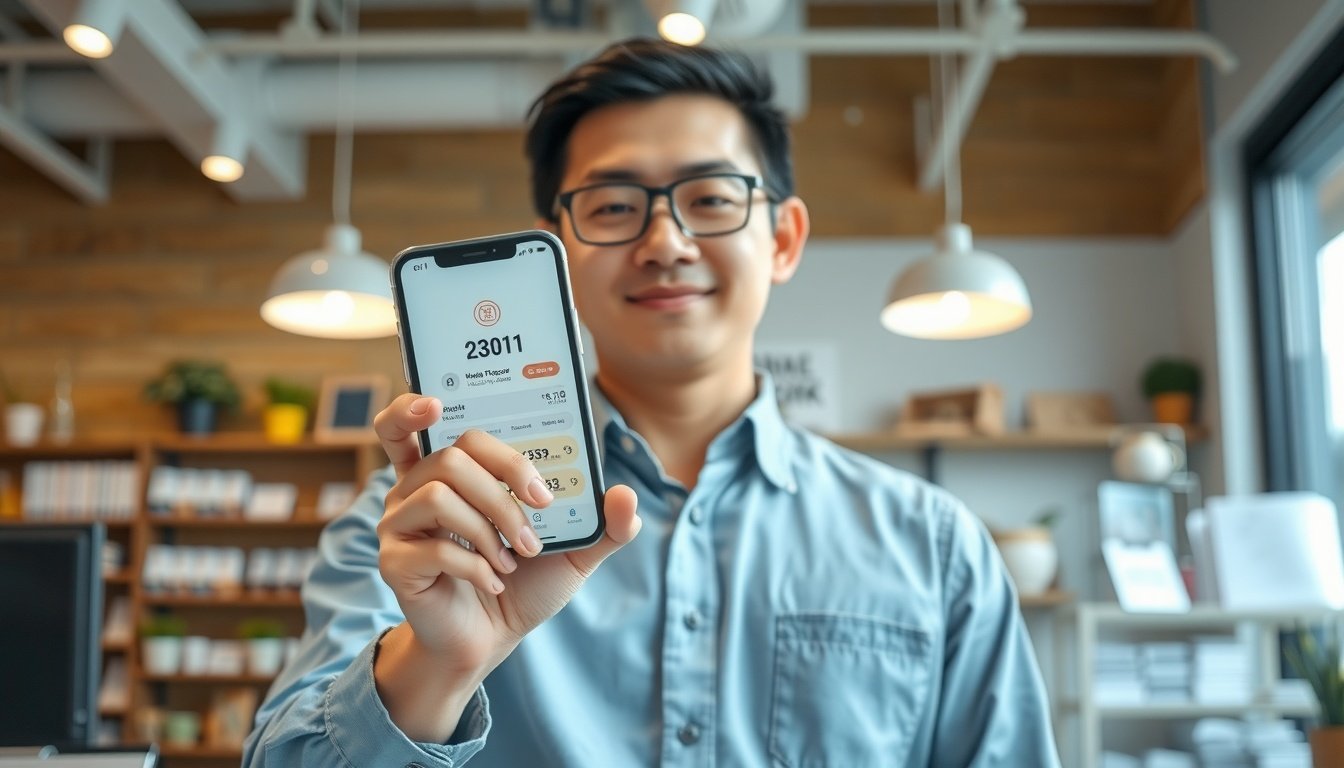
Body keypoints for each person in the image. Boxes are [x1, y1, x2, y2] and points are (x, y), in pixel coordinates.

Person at [243, 37, 1059, 767]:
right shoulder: (419, 524)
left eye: (710, 199)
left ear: (782, 239)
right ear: (558, 251)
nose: (664, 243)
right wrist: (435, 670)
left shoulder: (935, 545)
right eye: (613, 207)